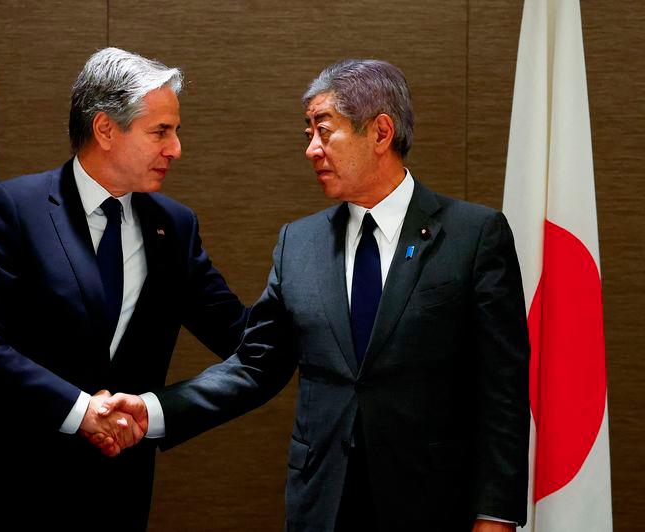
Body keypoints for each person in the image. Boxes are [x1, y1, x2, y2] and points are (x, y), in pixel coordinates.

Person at [101, 60, 530, 531]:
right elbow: (255, 364)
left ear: (381, 132)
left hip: (435, 505)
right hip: (322, 505)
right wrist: (152, 409)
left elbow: (503, 391)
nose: (311, 149)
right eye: (308, 132)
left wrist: (496, 514)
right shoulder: (298, 244)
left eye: (324, 131)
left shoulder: (473, 236)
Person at [0, 47, 248, 530]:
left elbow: (241, 333)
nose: (176, 148)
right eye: (161, 131)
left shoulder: (174, 228)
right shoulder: (14, 209)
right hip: (1, 489)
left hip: (112, 494)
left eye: (174, 131)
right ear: (105, 130)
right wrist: (80, 410)